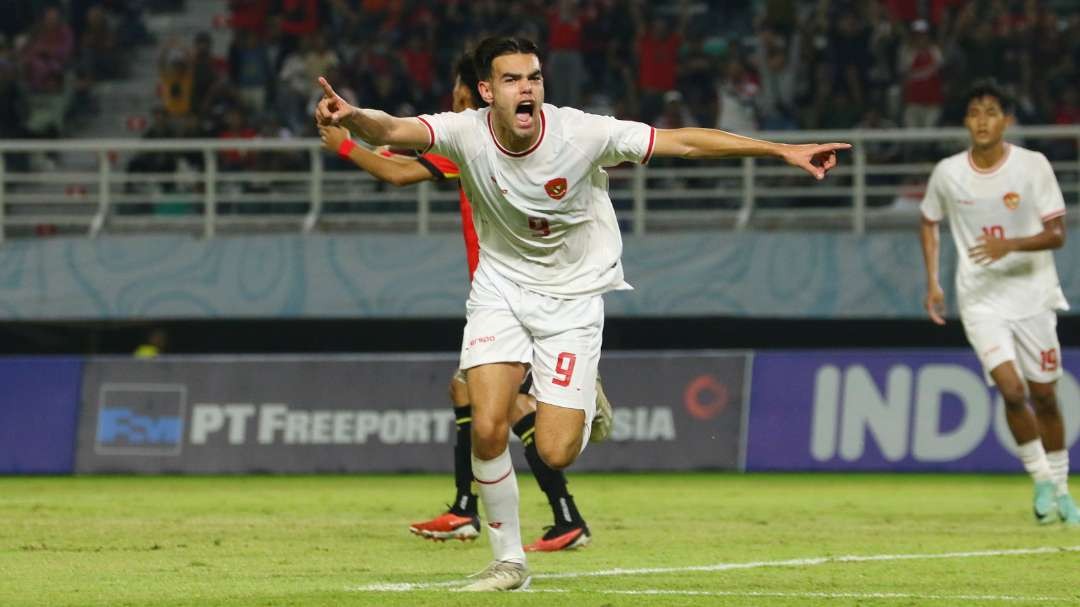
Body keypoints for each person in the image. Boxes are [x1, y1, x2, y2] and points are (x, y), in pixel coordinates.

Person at [316, 36, 848, 591]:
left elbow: (684, 143)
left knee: (554, 449)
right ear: (486, 92)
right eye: (512, 80)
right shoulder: (463, 133)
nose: (527, 89)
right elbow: (393, 131)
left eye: (535, 78)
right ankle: (509, 562)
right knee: (487, 423)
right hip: (500, 289)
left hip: (572, 299)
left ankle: (581, 390)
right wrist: (352, 117)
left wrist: (779, 150)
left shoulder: (581, 133)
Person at [318, 54, 605, 553]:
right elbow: (399, 147)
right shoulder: (472, 141)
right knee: (475, 396)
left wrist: (345, 146)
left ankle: (478, 509)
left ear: (476, 97)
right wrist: (366, 133)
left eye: (456, 96)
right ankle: (537, 513)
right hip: (500, 292)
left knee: (478, 396)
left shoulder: (477, 142)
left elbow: (400, 174)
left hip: (518, 295)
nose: (451, 103)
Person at [919, 79, 1079, 527]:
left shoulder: (1032, 166)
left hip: (1033, 296)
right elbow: (928, 222)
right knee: (1013, 391)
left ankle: (1064, 489)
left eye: (991, 111)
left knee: (1045, 397)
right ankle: (1041, 479)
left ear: (1006, 120)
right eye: (974, 112)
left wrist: (1011, 244)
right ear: (966, 121)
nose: (982, 120)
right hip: (981, 299)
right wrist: (933, 282)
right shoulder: (949, 173)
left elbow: (1058, 233)